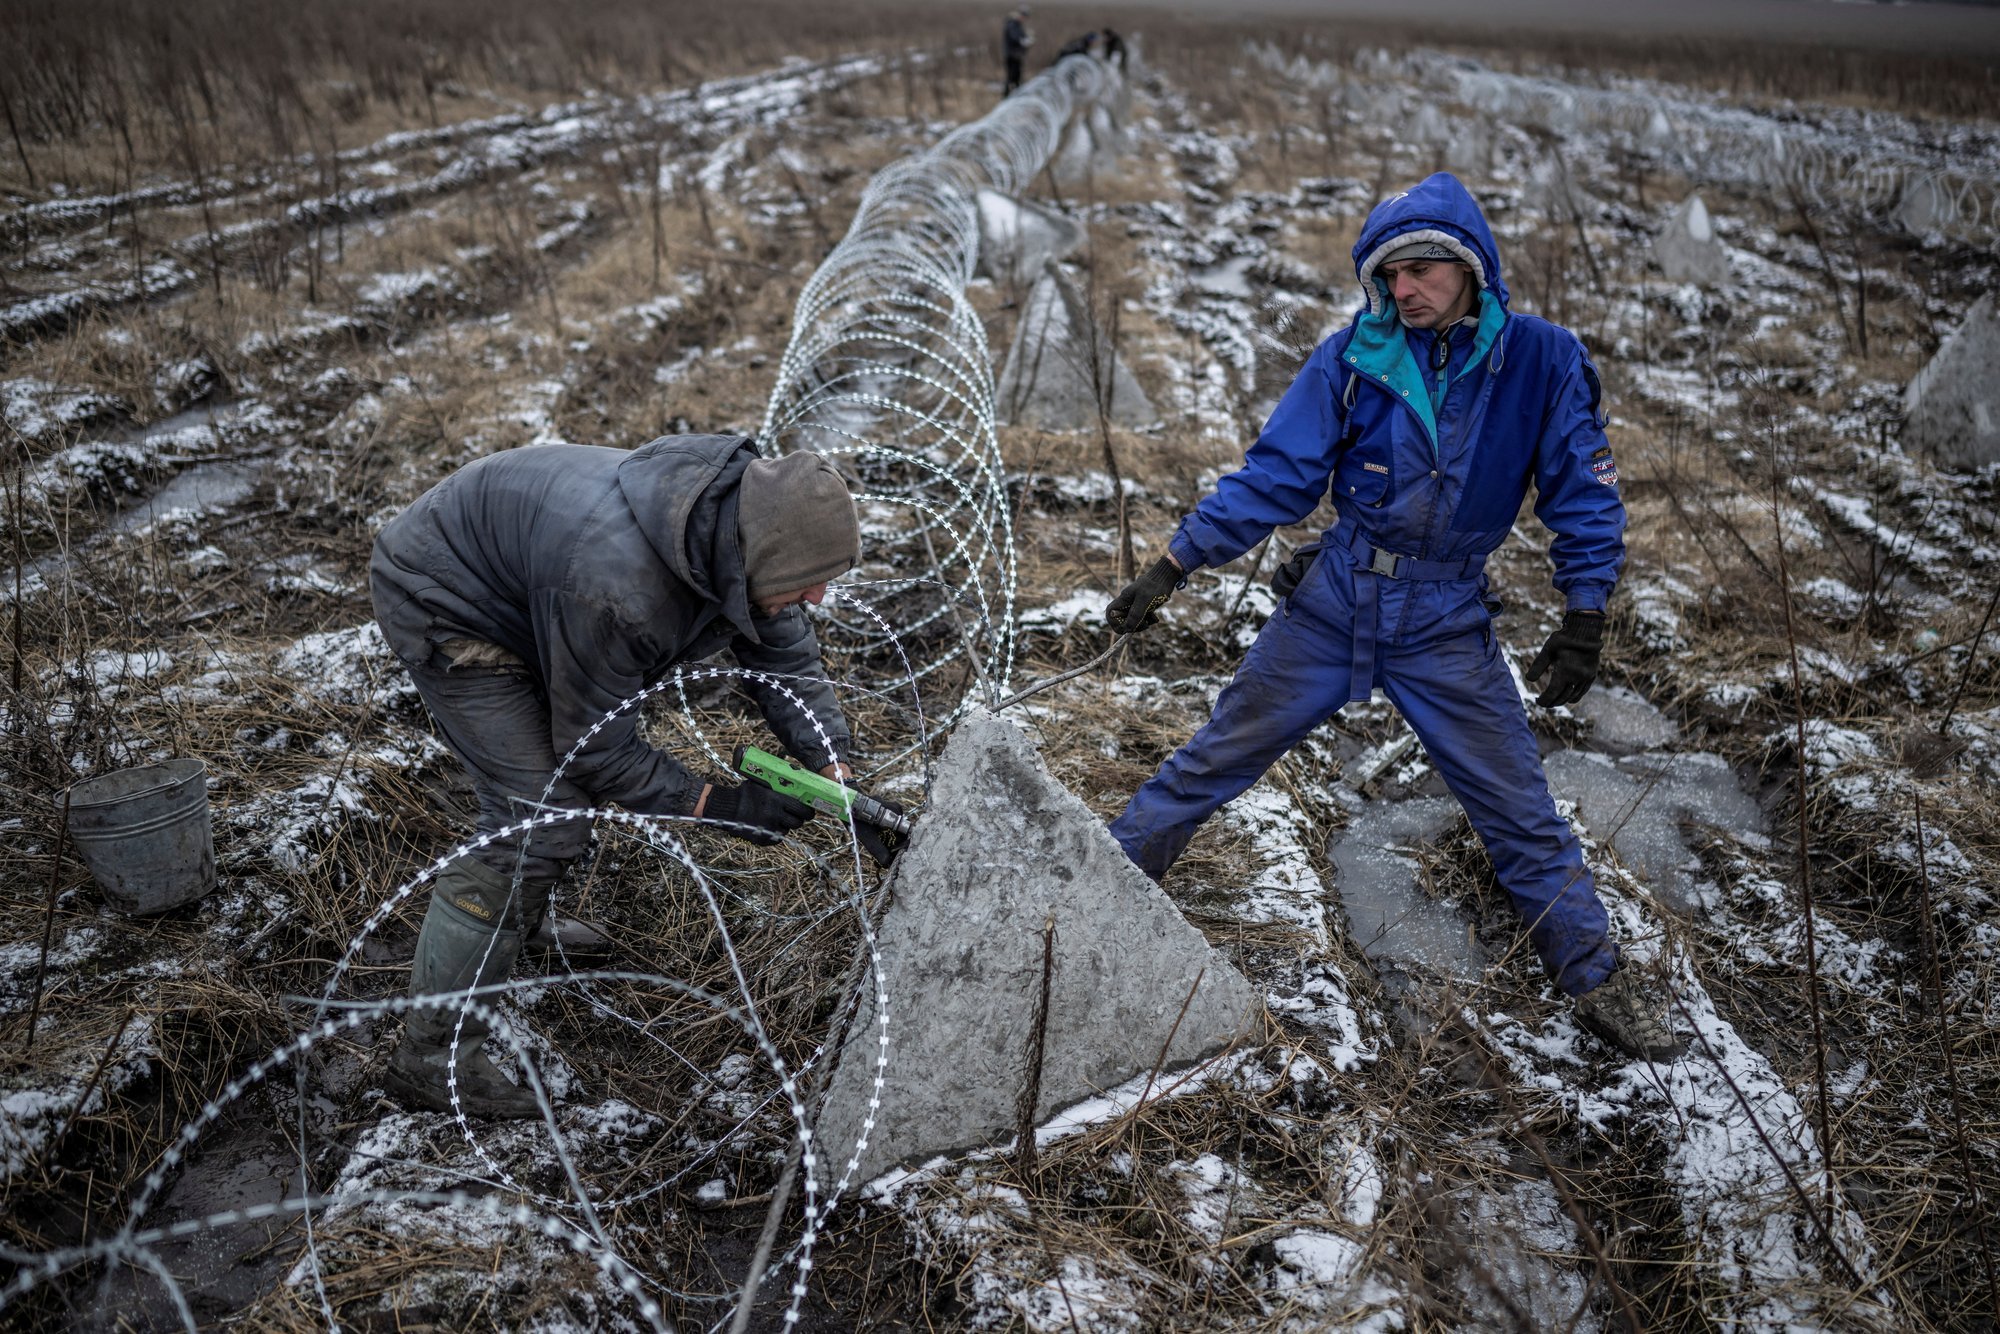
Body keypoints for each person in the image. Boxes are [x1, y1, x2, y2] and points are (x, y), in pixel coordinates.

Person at [1103, 173, 1676, 1063]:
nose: (1402, 291)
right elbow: (1277, 477)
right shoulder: (1351, 358)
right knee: (1209, 761)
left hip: (1447, 621)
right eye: (1388, 276)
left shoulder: (1542, 360)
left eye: (1421, 272)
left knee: (1520, 811)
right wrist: (1174, 564)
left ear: (1471, 269)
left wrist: (1585, 611)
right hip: (1336, 603)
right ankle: (1096, 889)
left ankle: (1597, 977)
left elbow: (1582, 495)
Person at [370, 434, 867, 1117]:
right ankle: (431, 1058)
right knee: (539, 819)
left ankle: (521, 920)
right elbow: (596, 751)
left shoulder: (735, 537)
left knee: (553, 806)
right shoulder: (622, 589)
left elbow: (784, 653)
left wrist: (828, 760)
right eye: (809, 578)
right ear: (759, 554)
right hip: (445, 592)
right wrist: (716, 804)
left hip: (540, 586)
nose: (818, 595)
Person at [1002, 7, 1032, 97]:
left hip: (1017, 55)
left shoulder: (1018, 25)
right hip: (1011, 55)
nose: (1024, 18)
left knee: (1017, 76)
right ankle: (1006, 95)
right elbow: (1014, 37)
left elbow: (1021, 36)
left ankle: (1017, 95)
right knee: (1011, 76)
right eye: (1023, 16)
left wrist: (1027, 39)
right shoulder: (1012, 24)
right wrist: (1022, 41)